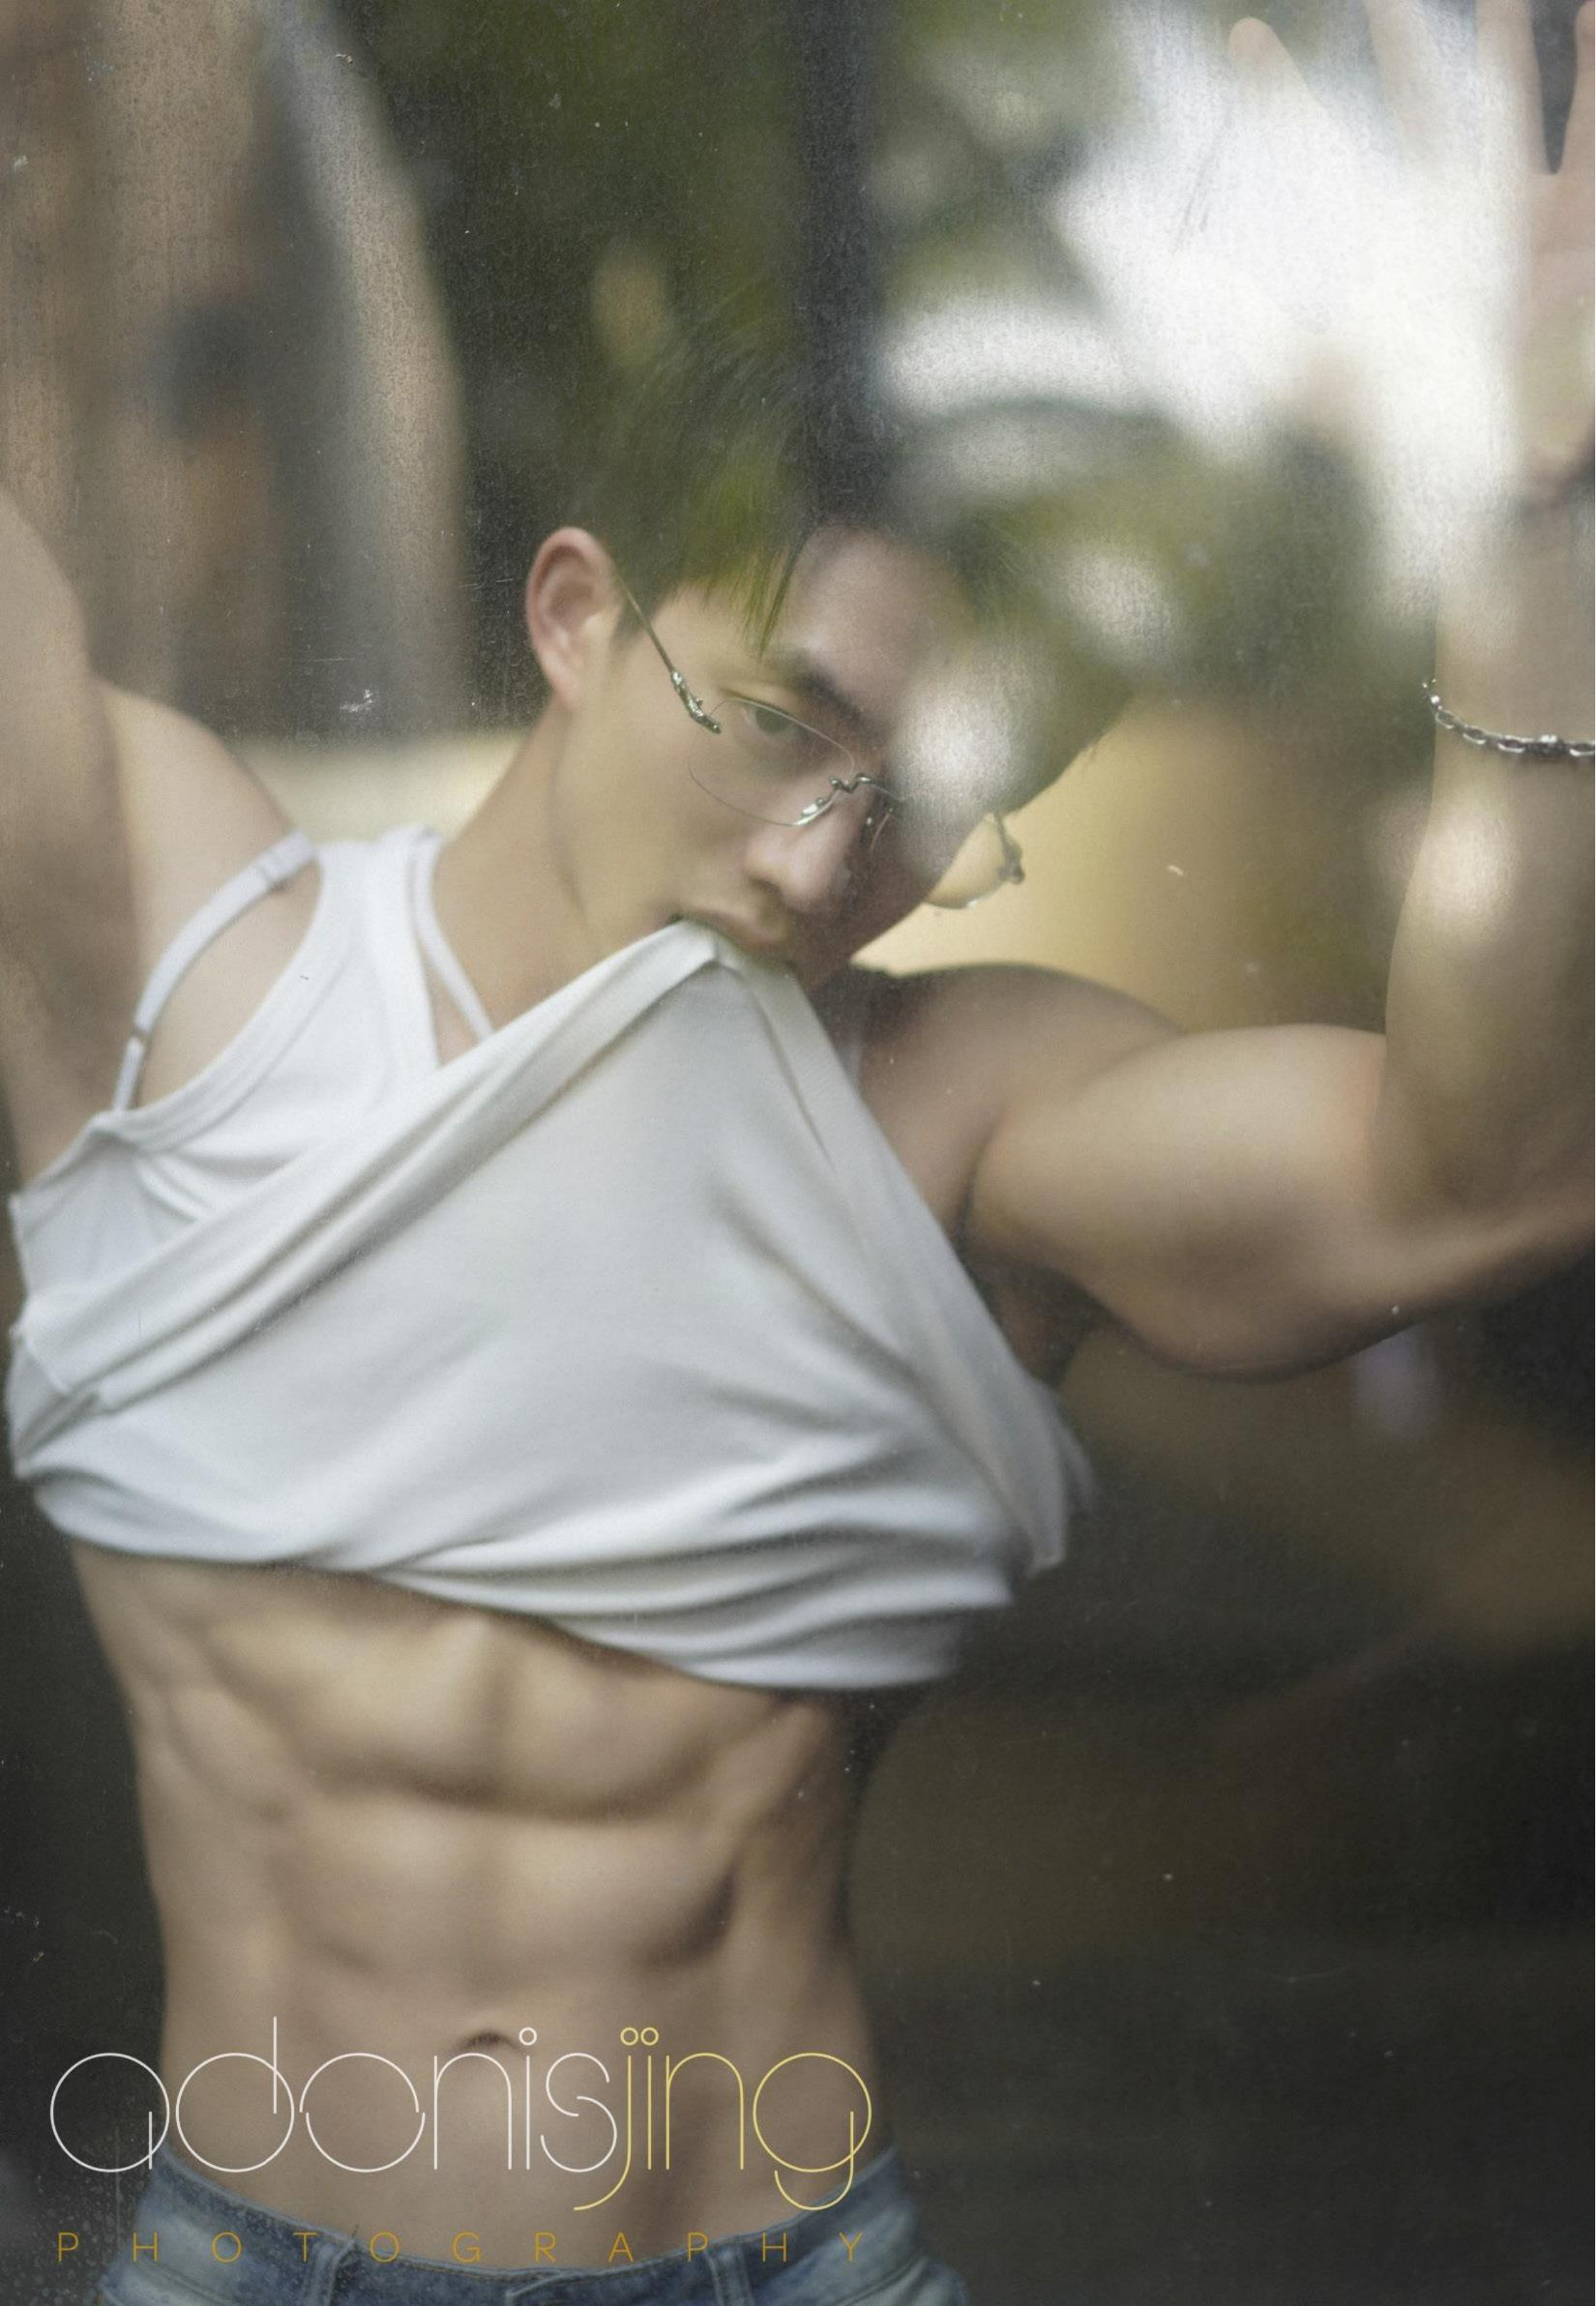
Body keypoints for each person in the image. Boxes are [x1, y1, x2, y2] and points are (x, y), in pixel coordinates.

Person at [3, 6, 1590, 2301]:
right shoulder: (177, 962)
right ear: (573, 613)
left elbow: (1486, 1175)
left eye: (916, 802)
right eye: (777, 723)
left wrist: (1543, 486)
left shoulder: (954, 1118)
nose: (824, 853)